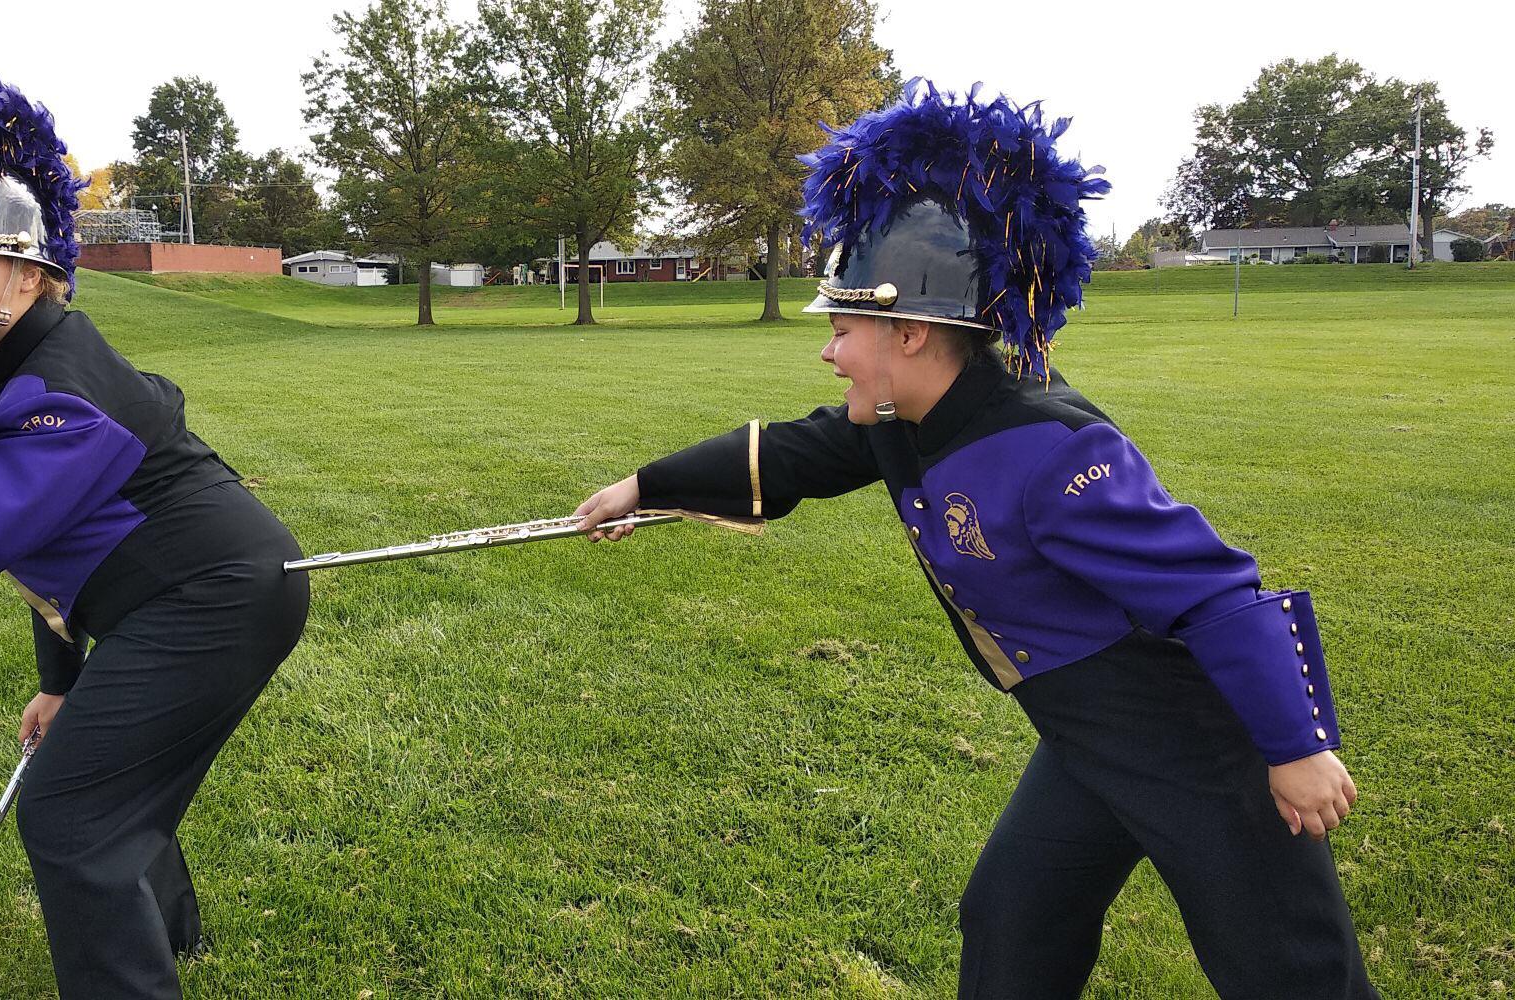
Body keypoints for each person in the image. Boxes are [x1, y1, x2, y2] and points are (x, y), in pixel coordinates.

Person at [573, 81, 1376, 999]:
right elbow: (797, 453)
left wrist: (1295, 747)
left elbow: (1214, 590)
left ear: (911, 332)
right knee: (1014, 919)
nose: (828, 352)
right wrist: (644, 485)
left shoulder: (1051, 449)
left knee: (1288, 968)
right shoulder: (902, 416)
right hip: (1082, 735)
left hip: (1195, 741)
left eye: (842, 330)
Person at [0, 73, 308, 999]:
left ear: (31, 278)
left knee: (74, 816)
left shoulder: (60, 392)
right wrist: (61, 684)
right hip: (172, 596)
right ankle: (173, 938)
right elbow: (52, 553)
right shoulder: (1, 366)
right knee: (110, 790)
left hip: (214, 598)